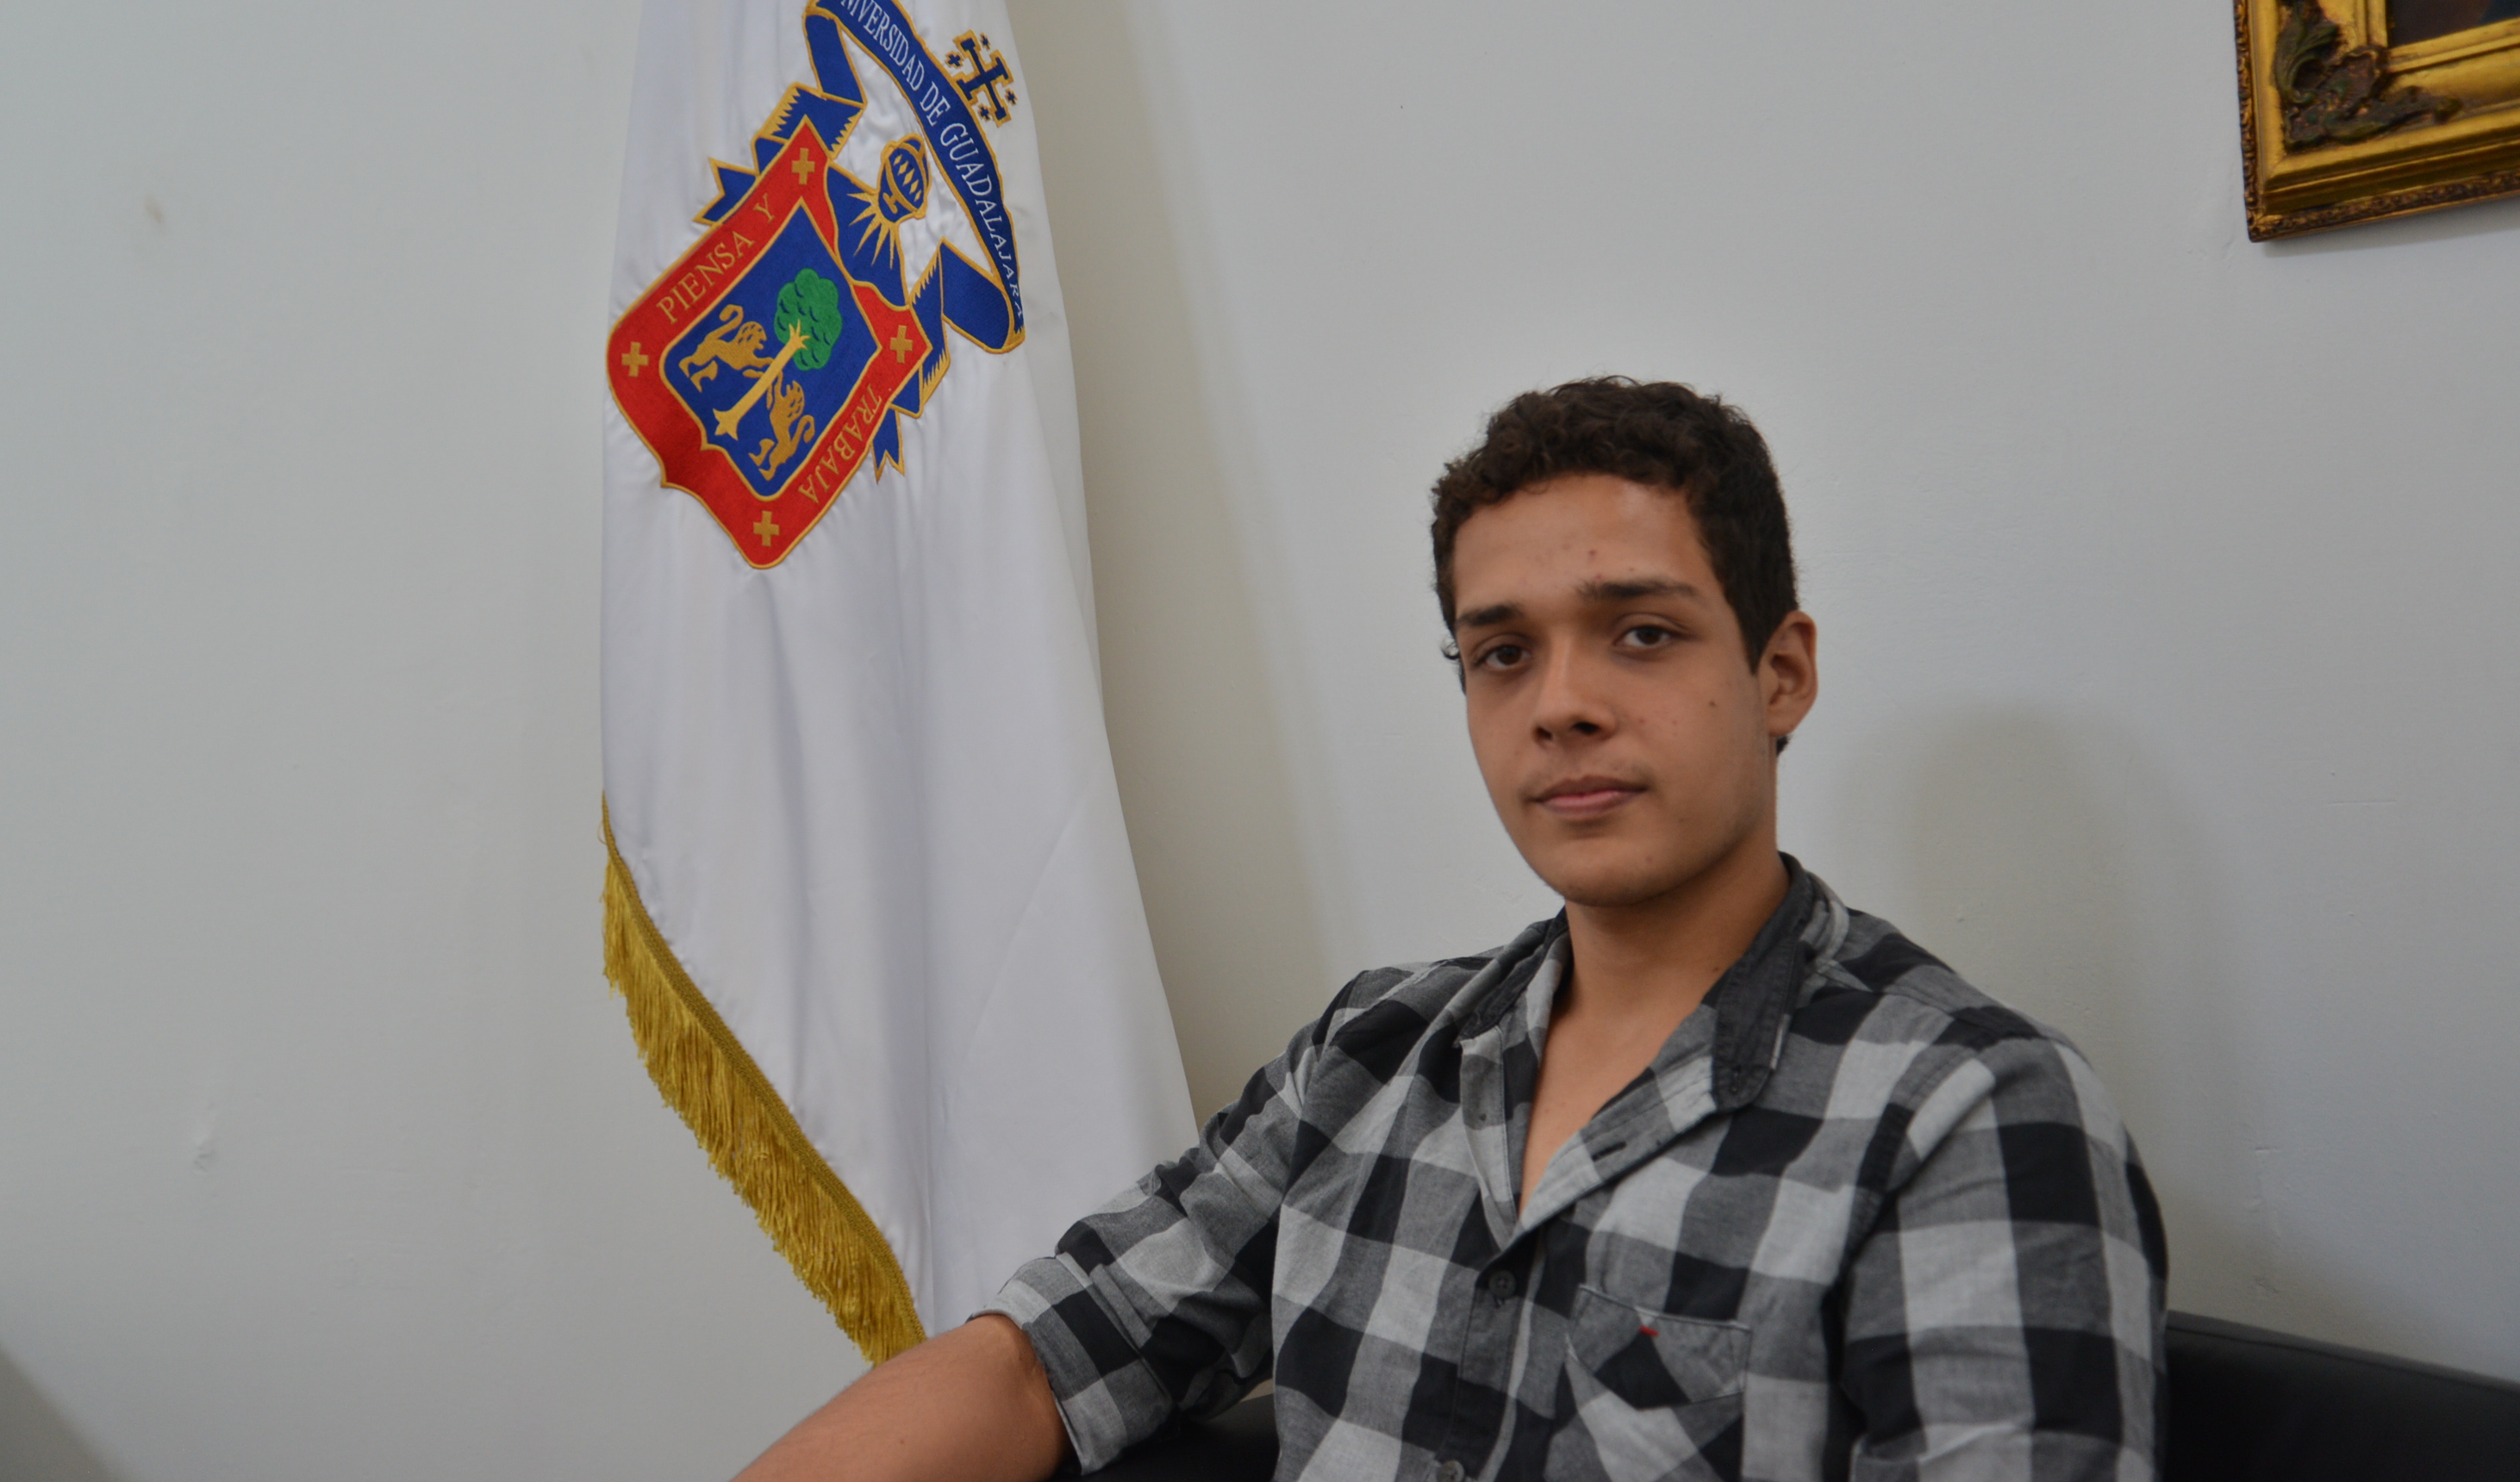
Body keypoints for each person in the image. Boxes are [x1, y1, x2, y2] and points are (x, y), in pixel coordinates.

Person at [736, 378, 2168, 1481]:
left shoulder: (1967, 1115)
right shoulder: (1376, 1049)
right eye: (1502, 653)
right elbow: (1040, 1359)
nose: (1561, 705)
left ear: (1780, 672)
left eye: (1642, 632)